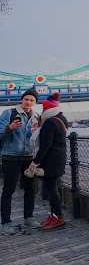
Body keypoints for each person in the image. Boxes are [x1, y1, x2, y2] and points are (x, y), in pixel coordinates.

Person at [0, 89, 40, 235]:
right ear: (22, 100)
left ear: (35, 102)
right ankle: (5, 222)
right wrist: (9, 128)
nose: (28, 102)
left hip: (29, 157)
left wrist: (35, 132)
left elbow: (35, 138)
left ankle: (28, 217)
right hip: (10, 156)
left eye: (32, 100)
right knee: (8, 190)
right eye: (26, 99)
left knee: (30, 189)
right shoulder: (9, 113)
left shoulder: (36, 116)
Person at [27, 92, 68, 230]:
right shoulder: (61, 118)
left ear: (46, 108)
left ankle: (58, 217)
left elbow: (45, 145)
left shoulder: (50, 121)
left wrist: (34, 163)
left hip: (50, 161)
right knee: (55, 187)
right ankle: (54, 215)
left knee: (52, 189)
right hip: (59, 158)